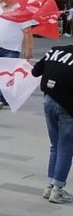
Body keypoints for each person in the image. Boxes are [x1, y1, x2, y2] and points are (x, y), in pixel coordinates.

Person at [33, 42, 73, 203]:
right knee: (66, 147)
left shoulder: (56, 50)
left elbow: (35, 71)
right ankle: (58, 190)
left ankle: (50, 186)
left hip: (48, 100)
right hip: (68, 106)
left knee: (55, 145)